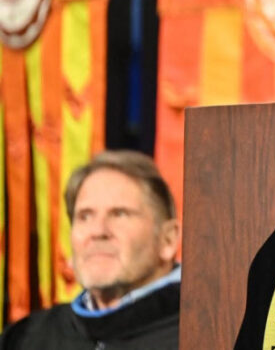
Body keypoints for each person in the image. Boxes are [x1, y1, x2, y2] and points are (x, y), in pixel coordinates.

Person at [0, 150, 181, 349]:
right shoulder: (27, 338)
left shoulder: (207, 334)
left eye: (119, 214)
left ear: (168, 240)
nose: (98, 231)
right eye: (85, 216)